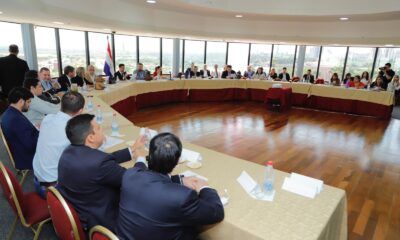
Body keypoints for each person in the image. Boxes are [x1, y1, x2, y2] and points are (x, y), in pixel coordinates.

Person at [116, 133, 224, 240]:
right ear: (177, 161)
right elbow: (217, 213)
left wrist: (180, 180)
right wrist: (204, 188)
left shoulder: (129, 175)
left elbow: (145, 175)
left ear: (150, 155)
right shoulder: (182, 196)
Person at [32, 92, 85, 195]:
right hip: (53, 190)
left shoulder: (48, 118)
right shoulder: (72, 131)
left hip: (37, 179)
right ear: (80, 111)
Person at [1, 87, 38, 170]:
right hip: (28, 158)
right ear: (21, 101)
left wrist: (34, 129)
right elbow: (31, 144)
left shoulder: (7, 114)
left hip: (20, 153)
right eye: (28, 102)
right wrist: (41, 132)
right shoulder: (16, 119)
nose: (29, 105)